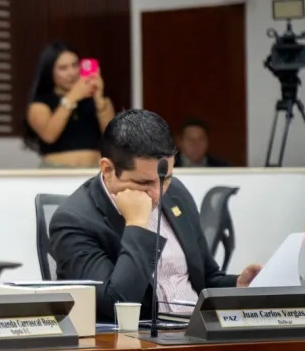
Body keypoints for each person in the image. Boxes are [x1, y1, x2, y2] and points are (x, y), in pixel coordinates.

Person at [49, 109, 261, 322]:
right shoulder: (73, 221)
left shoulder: (176, 192)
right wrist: (137, 225)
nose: (158, 194)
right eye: (144, 183)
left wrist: (237, 286)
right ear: (108, 169)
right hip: (140, 342)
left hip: (197, 330)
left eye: (166, 178)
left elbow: (206, 278)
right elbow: (116, 304)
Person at [24, 42, 115, 168]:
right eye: (63, 68)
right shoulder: (40, 103)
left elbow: (113, 137)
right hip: (56, 170)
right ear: (50, 71)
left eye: (75, 65)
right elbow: (49, 135)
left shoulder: (95, 99)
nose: (72, 72)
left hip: (94, 171)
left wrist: (99, 98)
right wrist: (72, 97)